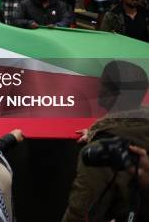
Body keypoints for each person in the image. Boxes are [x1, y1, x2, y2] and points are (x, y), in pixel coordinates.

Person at [62, 61, 149, 222]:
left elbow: (79, 210)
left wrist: (101, 137)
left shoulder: (101, 152)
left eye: (101, 83)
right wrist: (99, 131)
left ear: (110, 94)